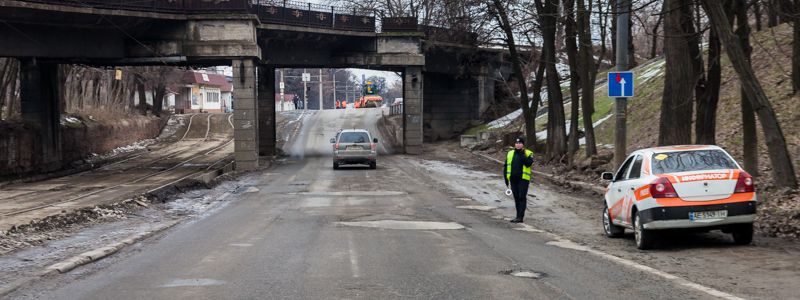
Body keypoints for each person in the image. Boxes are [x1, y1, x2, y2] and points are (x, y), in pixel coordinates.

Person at [503, 137, 534, 223]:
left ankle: (520, 217)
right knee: (516, 197)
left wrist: (521, 154)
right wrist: (506, 177)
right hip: (513, 179)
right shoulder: (510, 153)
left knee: (521, 197)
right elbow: (506, 166)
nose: (518, 144)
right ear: (514, 144)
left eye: (520, 143)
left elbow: (528, 163)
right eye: (517, 143)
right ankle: (517, 216)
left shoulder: (528, 153)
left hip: (523, 179)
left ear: (523, 144)